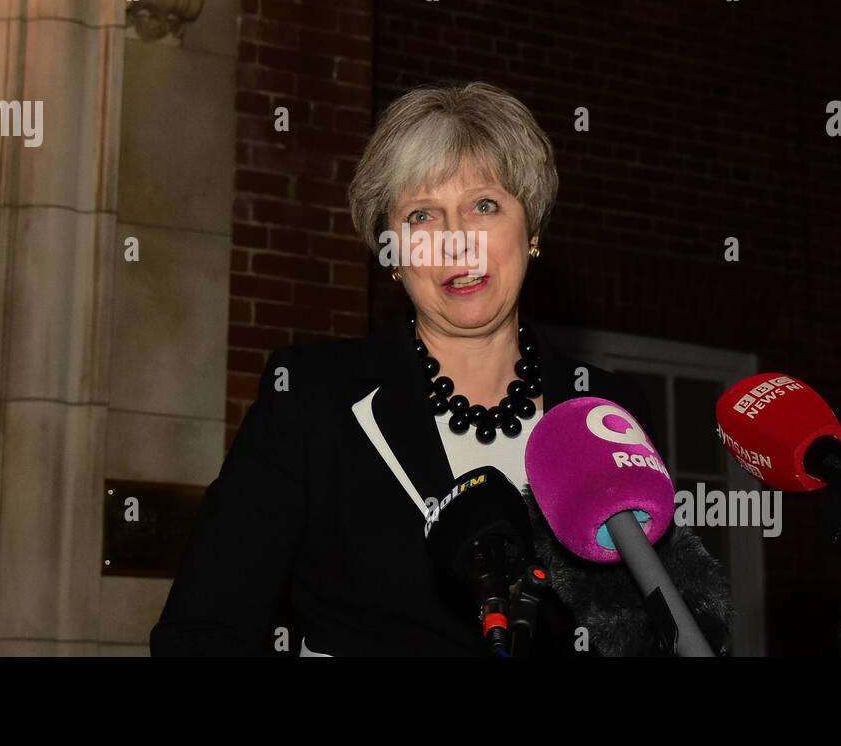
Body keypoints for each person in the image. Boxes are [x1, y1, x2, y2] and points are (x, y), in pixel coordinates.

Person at [151, 81, 730, 656]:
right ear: (394, 256)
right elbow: (201, 632)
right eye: (423, 215)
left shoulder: (605, 411)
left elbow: (652, 630)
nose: (456, 243)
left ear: (530, 232)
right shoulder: (311, 400)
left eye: (484, 205)